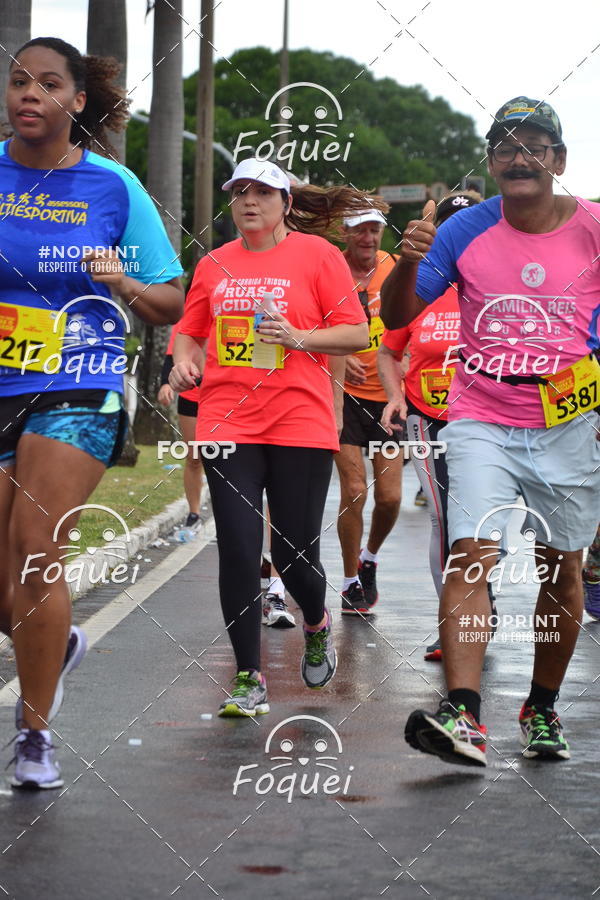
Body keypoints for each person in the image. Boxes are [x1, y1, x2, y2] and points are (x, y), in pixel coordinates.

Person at [381, 97, 600, 766]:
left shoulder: (593, 228)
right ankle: (465, 714)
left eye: (535, 145)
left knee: (559, 569)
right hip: (480, 412)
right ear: (492, 161)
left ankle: (540, 708)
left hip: (567, 421)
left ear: (558, 160)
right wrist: (406, 260)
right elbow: (398, 314)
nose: (520, 157)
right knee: (469, 553)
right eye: (505, 147)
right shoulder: (464, 230)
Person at [0, 38, 184, 789]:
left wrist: (122, 281)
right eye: (18, 81)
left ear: (77, 102)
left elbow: (170, 298)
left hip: (79, 380)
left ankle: (35, 735)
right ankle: (56, 640)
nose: (28, 94)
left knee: (36, 540)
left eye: (48, 84)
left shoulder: (113, 187)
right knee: (6, 581)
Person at [170, 157, 377, 717]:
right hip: (227, 417)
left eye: (262, 192)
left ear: (286, 203)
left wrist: (299, 335)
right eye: (239, 192)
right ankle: (248, 677)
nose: (248, 202)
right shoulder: (214, 264)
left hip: (299, 420)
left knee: (292, 551)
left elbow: (356, 331)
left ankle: (315, 619)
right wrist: (182, 365)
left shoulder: (318, 256)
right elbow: (189, 333)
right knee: (238, 549)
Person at [377, 191, 498, 661]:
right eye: (451, 226)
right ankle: (453, 622)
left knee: (487, 523)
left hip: (491, 419)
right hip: (429, 419)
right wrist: (394, 396)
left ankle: (483, 598)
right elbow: (388, 349)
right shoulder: (422, 286)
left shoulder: (496, 282)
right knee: (444, 521)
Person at [335, 210, 403, 616]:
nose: (368, 236)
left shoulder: (394, 267)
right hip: (343, 397)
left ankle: (370, 556)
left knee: (391, 497)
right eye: (359, 229)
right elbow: (304, 326)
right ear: (345, 232)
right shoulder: (329, 268)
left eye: (374, 228)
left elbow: (413, 319)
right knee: (354, 491)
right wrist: (338, 357)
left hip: (388, 399)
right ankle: (350, 582)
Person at [159, 322, 204, 529]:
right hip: (192, 395)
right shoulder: (188, 319)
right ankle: (194, 514)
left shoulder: (235, 308)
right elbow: (171, 357)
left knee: (230, 458)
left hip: (227, 398)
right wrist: (166, 384)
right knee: (194, 457)